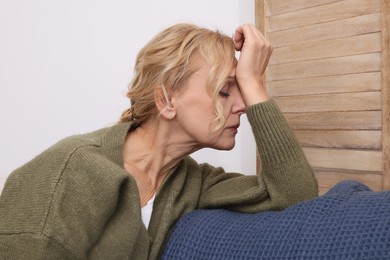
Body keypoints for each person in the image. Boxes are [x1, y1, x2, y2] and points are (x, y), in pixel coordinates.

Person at [0, 23, 318, 259]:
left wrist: (255, 82)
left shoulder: (191, 182)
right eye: (224, 91)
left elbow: (295, 193)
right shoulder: (72, 171)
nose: (243, 105)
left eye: (242, 92)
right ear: (166, 99)